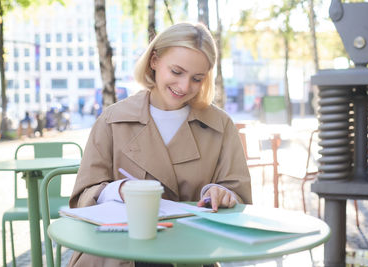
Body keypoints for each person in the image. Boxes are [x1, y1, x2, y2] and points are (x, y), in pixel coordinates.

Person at [68, 22, 252, 267]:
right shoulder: (112, 120)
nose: (184, 86)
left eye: (197, 78)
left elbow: (239, 196)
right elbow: (83, 196)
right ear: (154, 61)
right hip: (118, 252)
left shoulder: (221, 125)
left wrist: (222, 194)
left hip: (193, 253)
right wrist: (119, 190)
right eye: (176, 72)